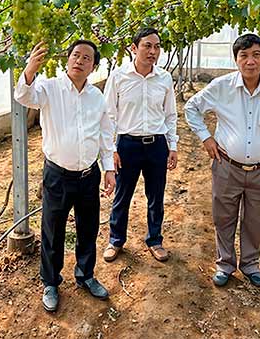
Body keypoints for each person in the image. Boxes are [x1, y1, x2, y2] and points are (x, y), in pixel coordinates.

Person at [184, 33, 260, 288]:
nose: (250, 61)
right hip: (227, 167)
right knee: (223, 217)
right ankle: (225, 264)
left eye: (256, 55)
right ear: (235, 59)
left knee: (256, 219)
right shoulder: (222, 87)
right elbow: (191, 108)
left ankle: (250, 265)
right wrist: (206, 138)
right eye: (244, 56)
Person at [14, 40, 116, 312]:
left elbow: (105, 135)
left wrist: (109, 168)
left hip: (88, 176)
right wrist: (30, 70)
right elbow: (23, 96)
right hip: (58, 175)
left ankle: (86, 275)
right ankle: (50, 282)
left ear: (93, 66)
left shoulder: (97, 97)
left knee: (88, 228)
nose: (79, 60)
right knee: (53, 230)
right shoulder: (49, 87)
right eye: (75, 55)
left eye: (86, 58)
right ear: (67, 59)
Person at [102, 26, 178, 263]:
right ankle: (116, 240)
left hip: (157, 145)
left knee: (156, 195)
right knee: (122, 195)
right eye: (147, 45)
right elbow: (109, 115)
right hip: (127, 146)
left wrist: (172, 145)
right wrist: (111, 149)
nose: (152, 51)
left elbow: (170, 115)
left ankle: (155, 240)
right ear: (134, 48)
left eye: (156, 47)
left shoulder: (164, 78)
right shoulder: (118, 77)